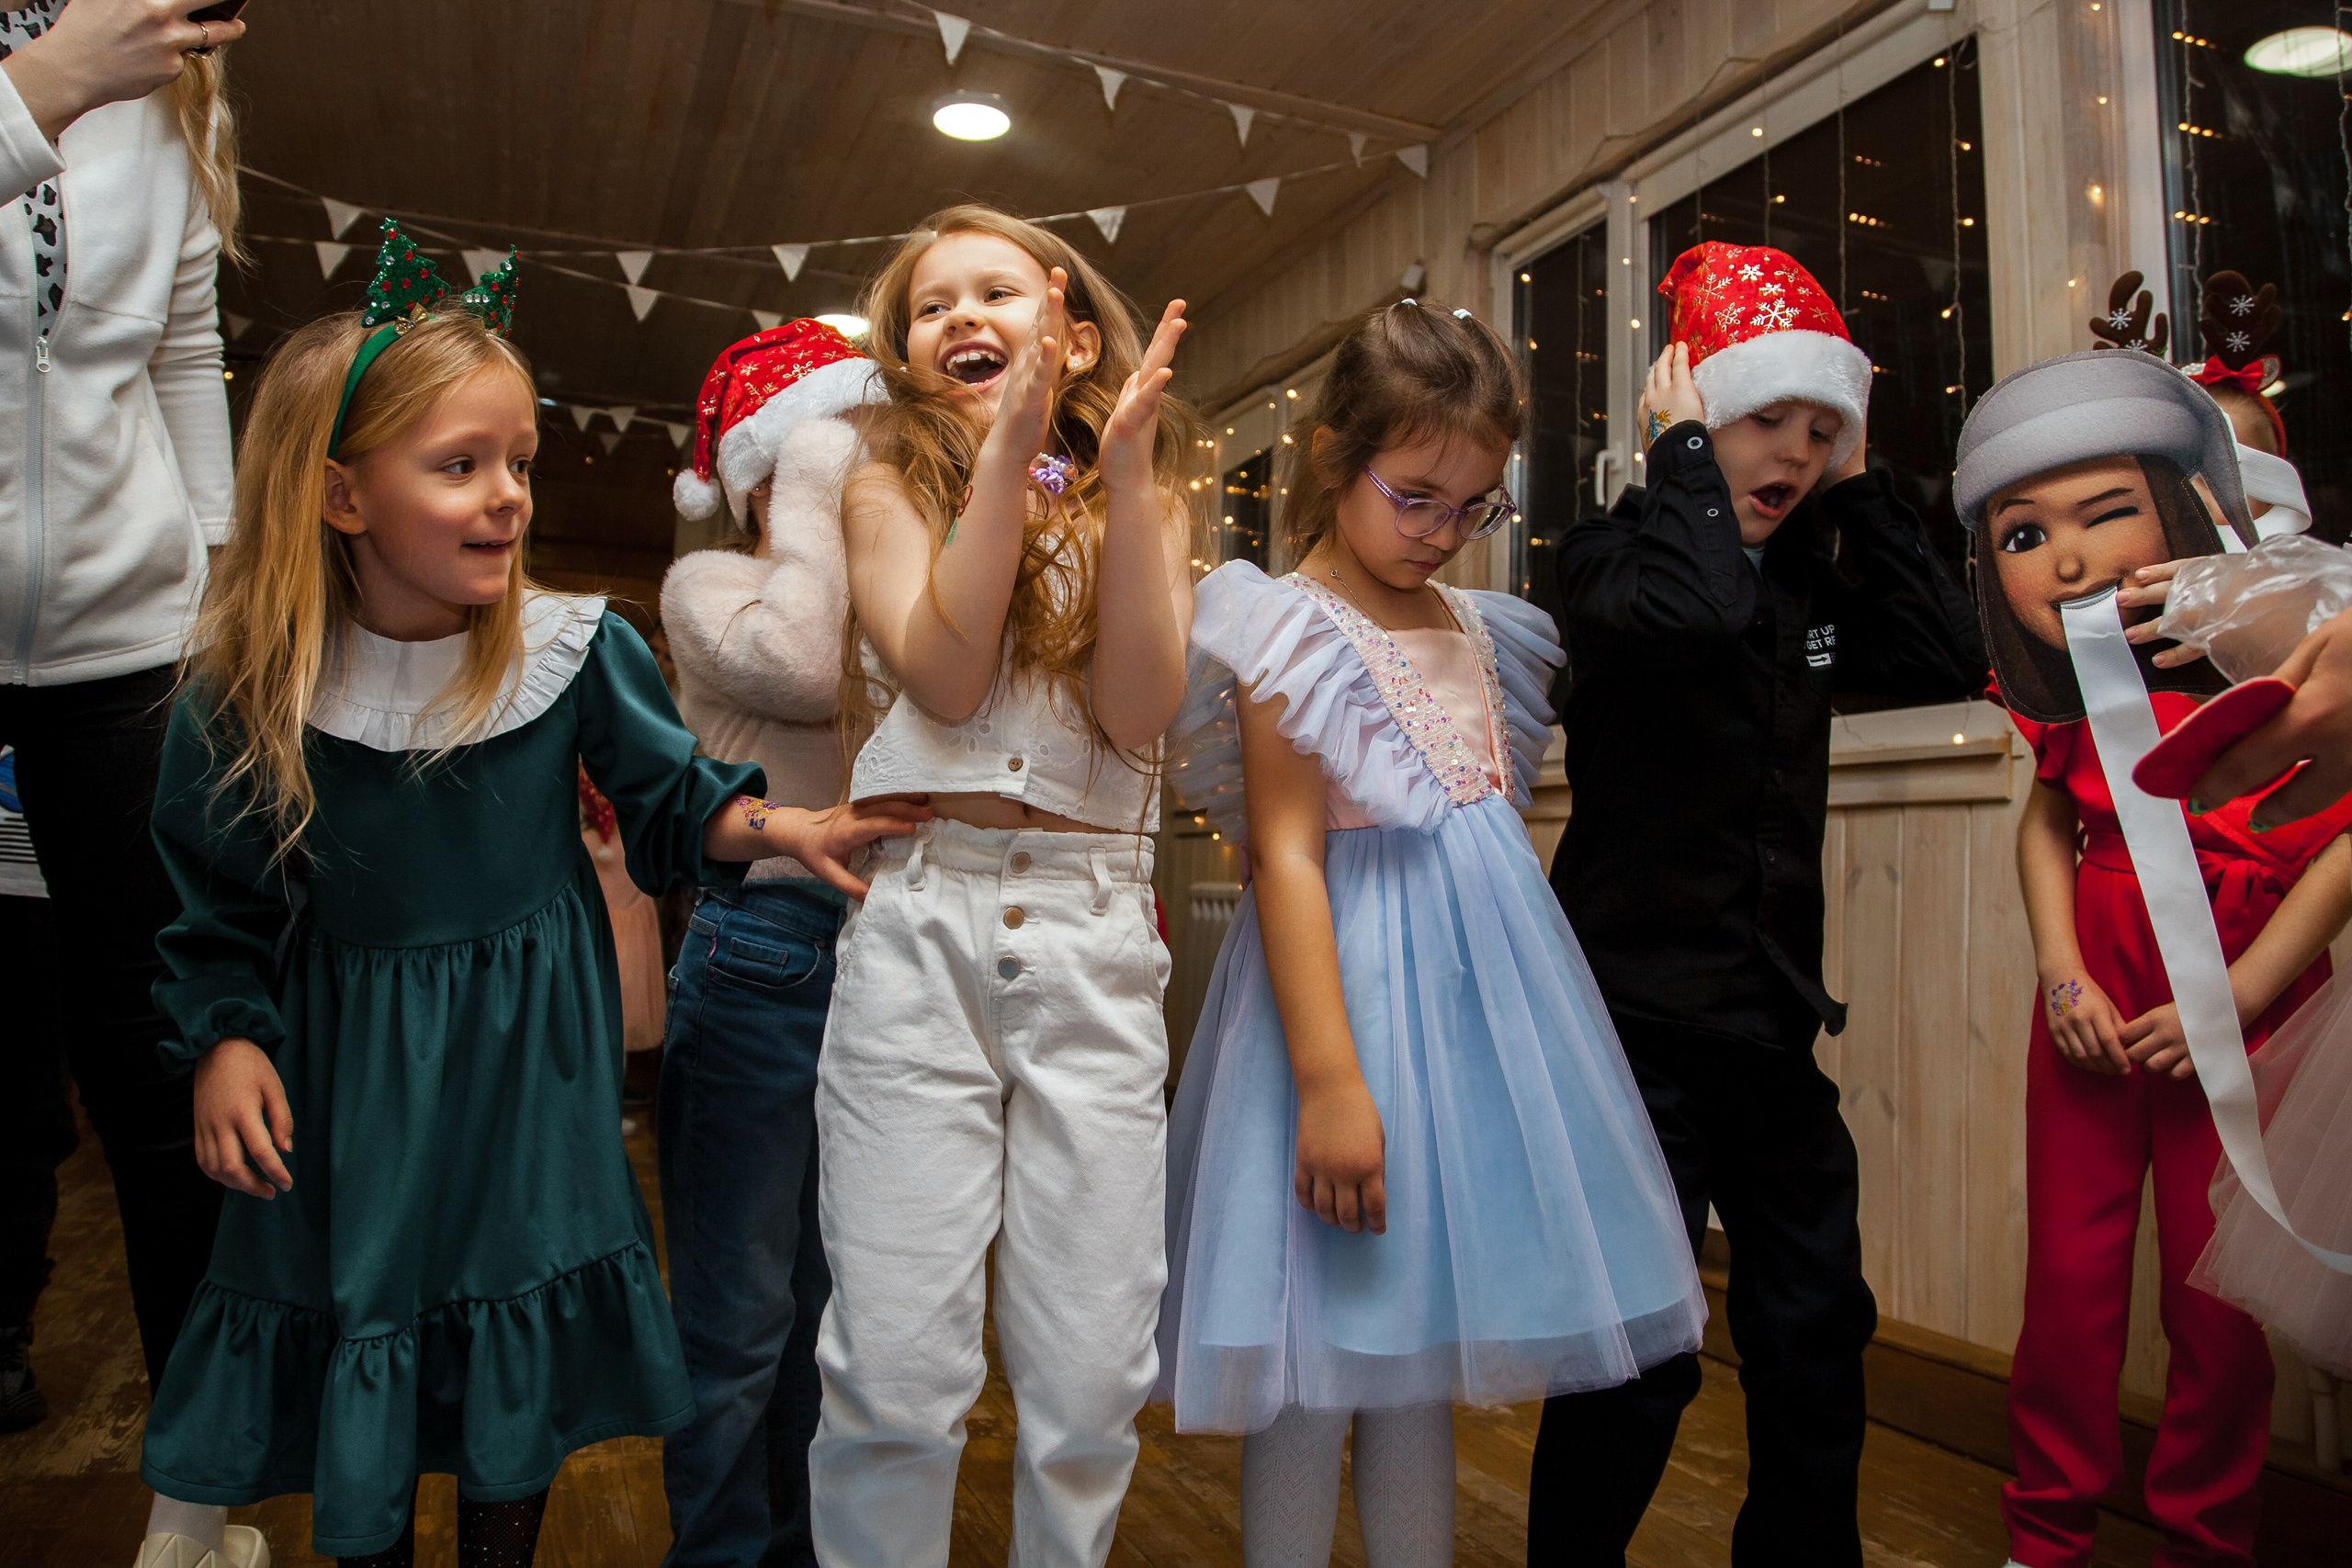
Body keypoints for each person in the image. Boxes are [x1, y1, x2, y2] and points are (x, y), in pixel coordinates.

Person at [130, 227, 924, 1568]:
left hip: (524, 1087)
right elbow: (216, 899)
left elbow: (677, 799)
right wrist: (223, 1039)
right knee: (366, 1327)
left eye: (517, 465)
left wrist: (788, 823)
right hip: (353, 1086)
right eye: (460, 466)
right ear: (340, 498)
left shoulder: (573, 651)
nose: (506, 496)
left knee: (511, 1350)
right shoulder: (252, 693)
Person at [1159, 299, 1705, 1566]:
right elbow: (1286, 855)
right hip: (1341, 1018)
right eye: (1414, 497)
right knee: (1314, 1371)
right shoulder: (1286, 628)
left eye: (1475, 507)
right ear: (1336, 459)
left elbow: (1483, 845)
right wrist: (1331, 1086)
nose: (1443, 533)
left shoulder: (1484, 628)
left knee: (1415, 1362)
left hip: (1470, 1042)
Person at [1528, 242, 1985, 1567]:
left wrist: (1858, 486)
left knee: (1810, 1328)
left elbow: (1943, 653)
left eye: (1817, 426)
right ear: (1693, 415)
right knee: (1641, 1356)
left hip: (1770, 1030)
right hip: (1636, 1033)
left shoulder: (1809, 593)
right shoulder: (1611, 559)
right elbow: (1690, 610)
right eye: (1760, 420)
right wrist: (1681, 465)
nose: (1789, 449)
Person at [809, 204, 1193, 1568]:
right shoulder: (877, 484)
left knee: (1093, 1373)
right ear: (907, 355)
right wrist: (1008, 457)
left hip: (1092, 928)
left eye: (999, 292)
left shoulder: (1142, 488)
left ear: (1074, 334)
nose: (962, 316)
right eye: (930, 304)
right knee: (896, 1371)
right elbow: (950, 674)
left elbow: (1141, 709)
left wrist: (1131, 479)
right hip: (926, 928)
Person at [1952, 348, 2352, 1568]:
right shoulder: (2069, 682)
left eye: (2106, 513)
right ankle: (2046, 1534)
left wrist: (2238, 994)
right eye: (2026, 535)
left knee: (2216, 1297)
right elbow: (2048, 818)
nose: (2067, 562)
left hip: (2252, 983)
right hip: (2100, 978)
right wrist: (2060, 970)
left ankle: (2202, 1540)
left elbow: (2344, 843)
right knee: (2066, 1285)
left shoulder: (2297, 664)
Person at [0, 0, 244, 1483]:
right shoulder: (72, 64)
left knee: (165, 1063)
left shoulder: (168, 95)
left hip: (126, 650)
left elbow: (181, 354)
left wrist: (214, 589)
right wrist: (36, 90)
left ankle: (198, 1471)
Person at [654, 317, 883, 1568]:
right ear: (768, 477)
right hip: (762, 959)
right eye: (830, 457)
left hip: (888, 964)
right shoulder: (711, 587)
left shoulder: (888, 591)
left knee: (832, 1319)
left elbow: (1041, 511)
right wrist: (813, 467)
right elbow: (799, 667)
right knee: (739, 1325)